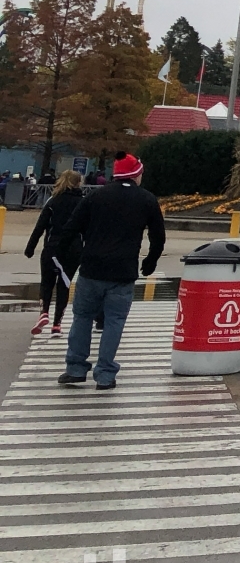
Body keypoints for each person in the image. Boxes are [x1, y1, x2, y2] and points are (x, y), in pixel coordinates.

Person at [55, 152, 165, 390]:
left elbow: (71, 228)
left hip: (91, 268)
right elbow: (158, 236)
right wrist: (150, 261)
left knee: (82, 318)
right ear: (135, 174)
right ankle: (105, 374)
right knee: (114, 321)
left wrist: (64, 256)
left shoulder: (95, 197)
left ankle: (75, 368)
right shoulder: (146, 199)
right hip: (123, 271)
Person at [25, 170, 83, 336]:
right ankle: (57, 324)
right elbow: (87, 228)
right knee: (64, 285)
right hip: (73, 249)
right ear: (78, 183)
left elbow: (40, 226)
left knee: (47, 282)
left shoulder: (52, 201)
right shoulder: (82, 203)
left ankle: (44, 312)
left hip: (52, 246)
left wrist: (30, 247)